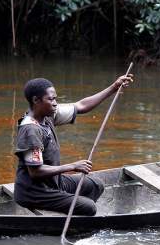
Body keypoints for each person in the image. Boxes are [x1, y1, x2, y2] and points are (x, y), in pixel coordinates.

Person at [13, 74, 133, 216]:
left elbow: (80, 106)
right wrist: (73, 166)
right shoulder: (31, 130)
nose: (55, 103)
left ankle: (70, 212)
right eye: (51, 99)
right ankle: (73, 216)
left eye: (55, 99)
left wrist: (114, 88)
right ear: (36, 100)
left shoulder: (48, 115)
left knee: (95, 185)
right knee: (90, 208)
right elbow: (35, 171)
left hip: (53, 183)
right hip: (34, 192)